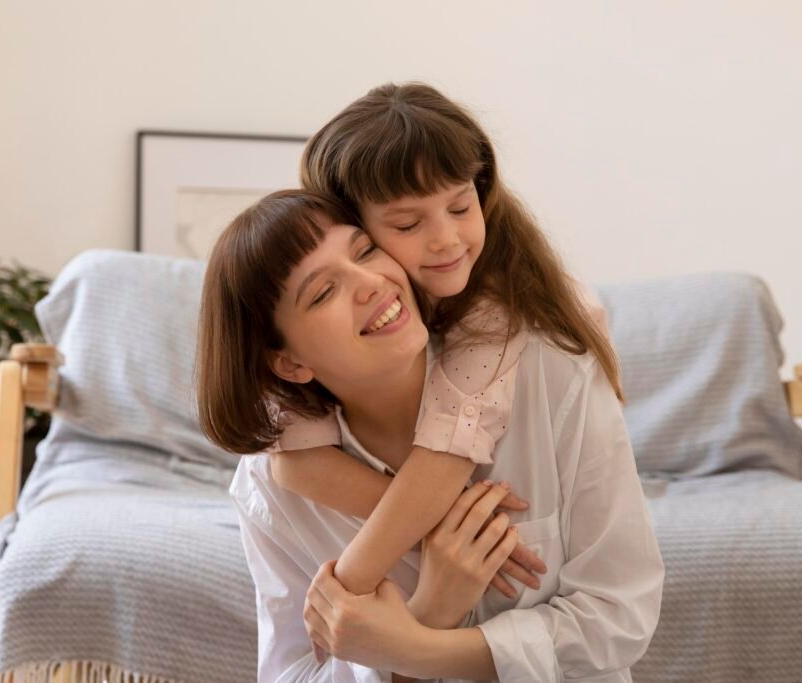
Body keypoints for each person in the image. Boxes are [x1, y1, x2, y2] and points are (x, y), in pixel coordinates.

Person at [196, 189, 664, 680]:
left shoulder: (552, 372)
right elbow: (292, 674)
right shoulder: (269, 491)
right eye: (323, 292)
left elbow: (619, 617)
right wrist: (432, 609)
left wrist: (414, 647)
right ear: (291, 363)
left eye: (365, 251)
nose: (371, 282)